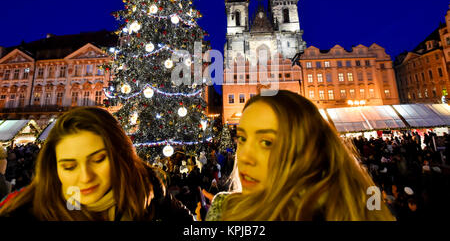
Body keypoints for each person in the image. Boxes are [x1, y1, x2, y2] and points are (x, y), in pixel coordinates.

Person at [206, 90, 395, 221]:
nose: (245, 157)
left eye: (267, 142)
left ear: (309, 151)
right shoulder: (226, 209)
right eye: (242, 138)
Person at [0, 107, 194, 221]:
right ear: (54, 167)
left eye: (99, 159)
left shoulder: (148, 189)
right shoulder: (27, 213)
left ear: (121, 155)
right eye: (69, 166)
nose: (85, 177)